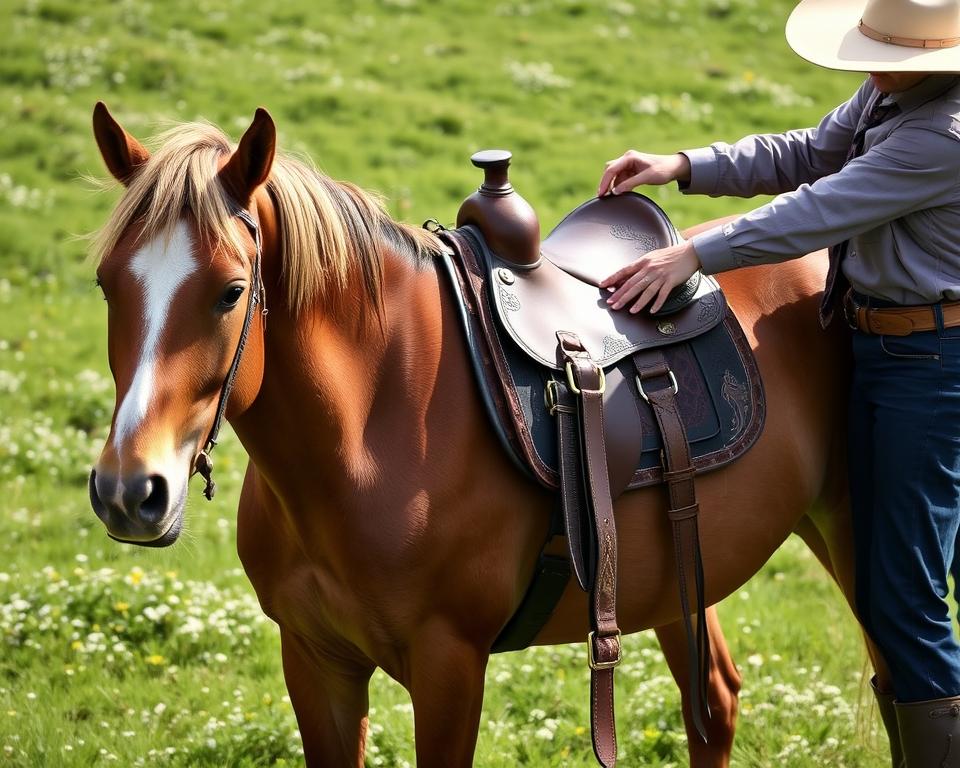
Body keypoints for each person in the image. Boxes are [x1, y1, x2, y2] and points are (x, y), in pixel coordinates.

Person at [597, 0, 960, 765]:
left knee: (903, 600)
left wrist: (693, 256)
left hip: (931, 371)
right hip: (881, 345)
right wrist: (684, 165)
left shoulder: (941, 136)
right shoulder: (895, 90)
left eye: (887, 53)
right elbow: (807, 151)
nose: (867, 65)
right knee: (899, 580)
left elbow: (820, 208)